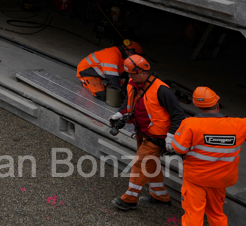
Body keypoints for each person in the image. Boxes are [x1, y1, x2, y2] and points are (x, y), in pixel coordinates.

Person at [110, 54, 186, 210]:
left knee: (141, 164)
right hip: (143, 133)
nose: (129, 77)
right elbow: (129, 102)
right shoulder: (133, 84)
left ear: (144, 72)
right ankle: (161, 196)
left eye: (132, 73)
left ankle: (129, 199)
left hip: (156, 137)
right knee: (151, 164)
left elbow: (178, 115)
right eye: (129, 73)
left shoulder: (163, 90)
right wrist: (120, 113)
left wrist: (171, 136)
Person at [168, 86, 246, 226]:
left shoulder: (191, 124)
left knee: (194, 214)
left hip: (196, 179)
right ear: (217, 103)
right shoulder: (239, 125)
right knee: (216, 213)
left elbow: (178, 148)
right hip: (221, 180)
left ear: (197, 105)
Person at [77, 39, 143, 101]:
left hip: (101, 74)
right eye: (136, 56)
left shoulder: (124, 57)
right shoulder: (112, 55)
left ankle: (114, 90)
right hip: (87, 73)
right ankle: (85, 83)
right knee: (103, 96)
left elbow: (128, 75)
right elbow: (112, 77)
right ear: (129, 52)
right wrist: (118, 93)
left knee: (127, 77)